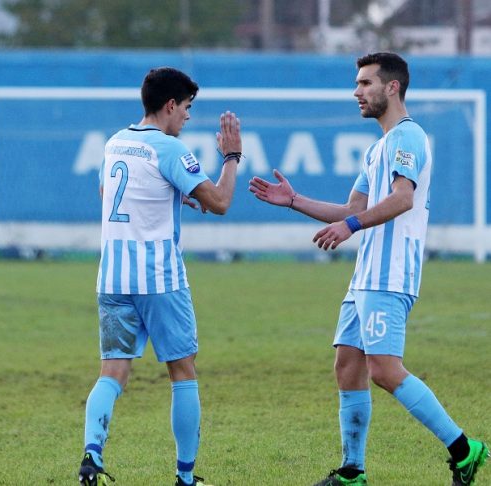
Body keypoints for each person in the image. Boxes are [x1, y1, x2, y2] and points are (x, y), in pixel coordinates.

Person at [249, 52, 488, 486]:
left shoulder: (408, 136)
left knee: (384, 370)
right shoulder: (379, 148)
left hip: (390, 273)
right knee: (347, 365)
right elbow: (351, 209)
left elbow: (402, 199)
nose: (356, 92)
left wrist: (350, 227)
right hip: (366, 276)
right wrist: (294, 200)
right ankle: (352, 471)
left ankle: (464, 450)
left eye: (365, 83)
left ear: (392, 87)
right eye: (357, 83)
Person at [77, 67, 242, 486]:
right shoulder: (169, 148)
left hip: (113, 278)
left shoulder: (116, 141)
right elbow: (220, 202)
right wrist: (231, 157)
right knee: (182, 372)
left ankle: (92, 456)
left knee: (112, 372)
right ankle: (186, 477)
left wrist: (166, 194)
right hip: (159, 279)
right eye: (186, 107)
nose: (187, 116)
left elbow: (106, 194)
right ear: (170, 105)